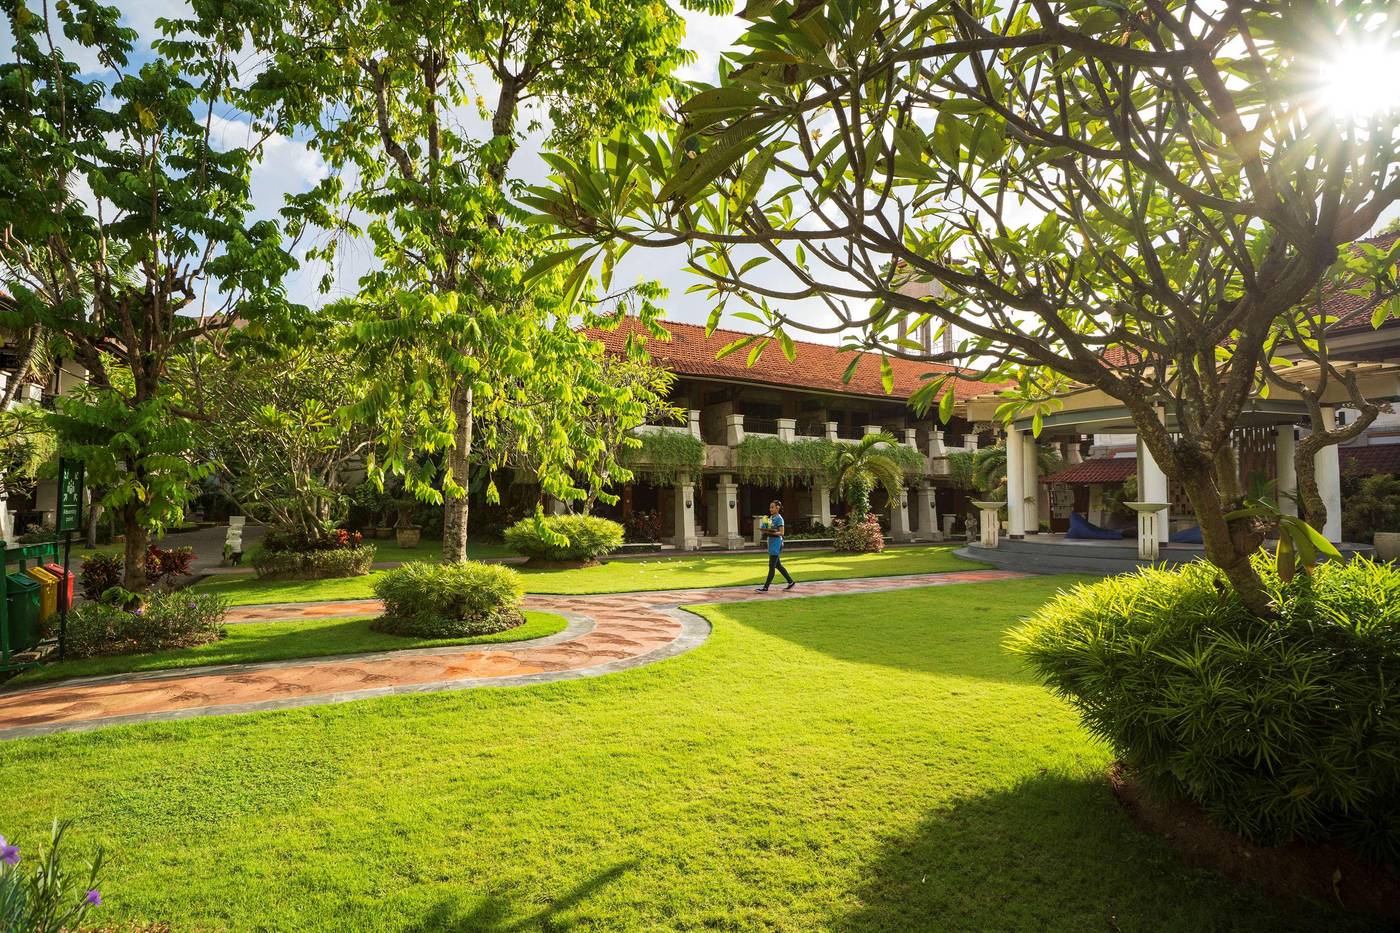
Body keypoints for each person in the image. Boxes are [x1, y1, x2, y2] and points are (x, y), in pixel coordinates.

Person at [757, 499, 795, 592]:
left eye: (772, 507)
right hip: (771, 543)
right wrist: (764, 526)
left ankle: (766, 587)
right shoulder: (770, 518)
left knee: (771, 566)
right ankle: (791, 582)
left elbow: (782, 532)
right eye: (770, 507)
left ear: (777, 508)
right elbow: (766, 529)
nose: (770, 509)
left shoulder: (779, 518)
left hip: (777, 544)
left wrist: (772, 533)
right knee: (778, 565)